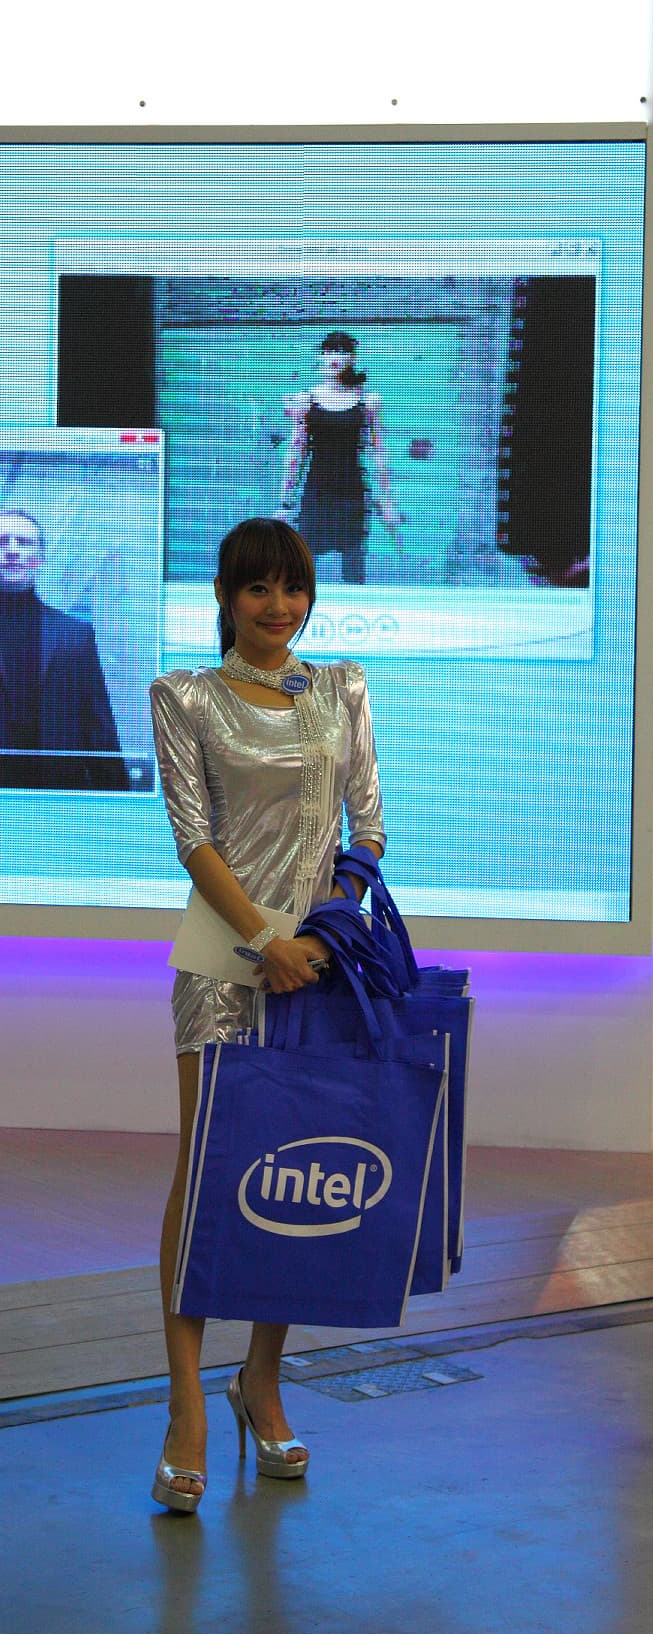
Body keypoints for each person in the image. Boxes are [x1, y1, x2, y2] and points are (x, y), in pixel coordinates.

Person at [148, 518, 387, 1510]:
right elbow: (192, 839)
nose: (279, 606)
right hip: (224, 969)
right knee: (207, 1174)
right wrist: (263, 941)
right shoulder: (185, 696)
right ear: (226, 596)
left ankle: (263, 1380)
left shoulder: (343, 689)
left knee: (290, 1181)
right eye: (258, 589)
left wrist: (326, 935)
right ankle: (186, 1406)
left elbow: (368, 826)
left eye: (293, 588)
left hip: (316, 969)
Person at [0, 508, 129, 791]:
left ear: (40, 559)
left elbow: (97, 722)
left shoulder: (75, 635)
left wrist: (120, 801)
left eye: (24, 542)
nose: (12, 551)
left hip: (57, 795)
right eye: (2, 541)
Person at [280, 331, 399, 584]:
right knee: (303, 567)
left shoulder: (368, 401)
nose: (335, 357)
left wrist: (387, 501)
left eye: (342, 352)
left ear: (352, 358)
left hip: (352, 493)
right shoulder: (306, 400)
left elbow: (378, 452)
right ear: (321, 357)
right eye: (329, 351)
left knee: (353, 566)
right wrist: (284, 502)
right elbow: (296, 452)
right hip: (317, 491)